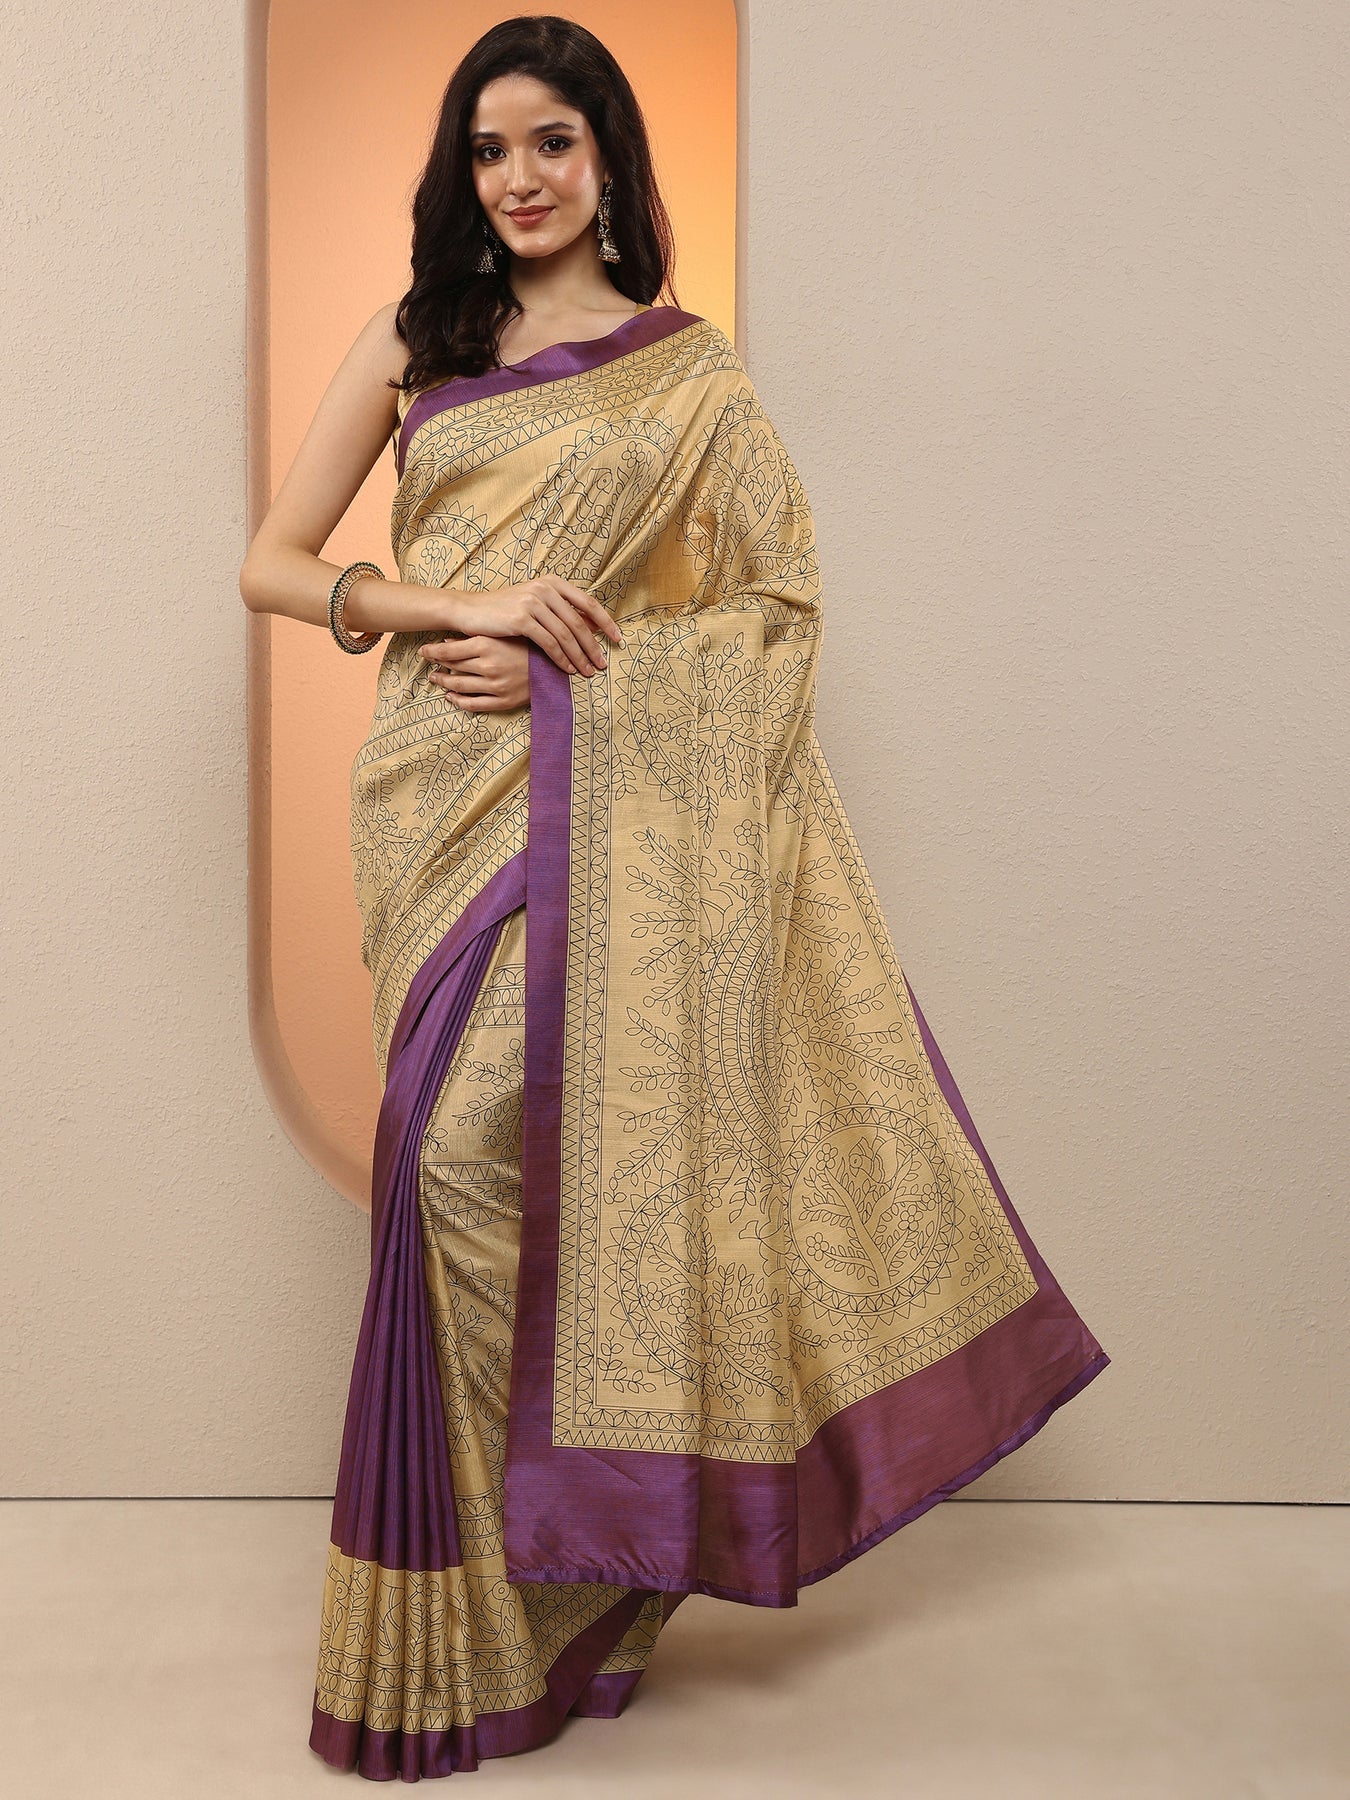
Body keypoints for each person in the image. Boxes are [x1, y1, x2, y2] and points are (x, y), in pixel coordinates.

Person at [239, 13, 1110, 1783]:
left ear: (609, 158)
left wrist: (575, 678)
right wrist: (454, 609)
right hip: (433, 800)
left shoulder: (691, 379)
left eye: (551, 142)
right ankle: (499, 1590)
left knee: (504, 1156)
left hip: (592, 797)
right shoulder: (419, 338)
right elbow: (272, 562)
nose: (520, 178)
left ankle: (579, 1569)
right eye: (488, 149)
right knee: (445, 1164)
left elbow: (778, 613)